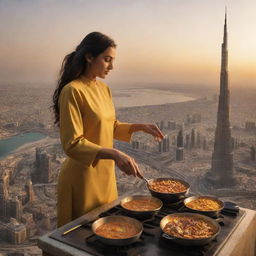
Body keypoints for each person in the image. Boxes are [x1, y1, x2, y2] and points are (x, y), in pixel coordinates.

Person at [52, 32, 164, 227]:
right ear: (89, 57)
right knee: (80, 238)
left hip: (105, 175)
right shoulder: (72, 90)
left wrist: (140, 127)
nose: (112, 67)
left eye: (112, 61)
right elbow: (73, 144)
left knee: (106, 231)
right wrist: (114, 153)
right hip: (81, 178)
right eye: (107, 60)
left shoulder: (104, 89)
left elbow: (109, 126)